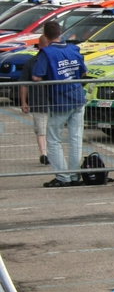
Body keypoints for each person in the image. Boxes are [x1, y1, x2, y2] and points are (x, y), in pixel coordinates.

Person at [29, 20, 88, 188]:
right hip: (78, 96)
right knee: (75, 138)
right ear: (60, 32)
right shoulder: (73, 49)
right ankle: (75, 174)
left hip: (60, 100)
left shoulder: (47, 53)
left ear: (45, 35)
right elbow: (83, 71)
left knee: (53, 139)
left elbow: (36, 76)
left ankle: (62, 176)